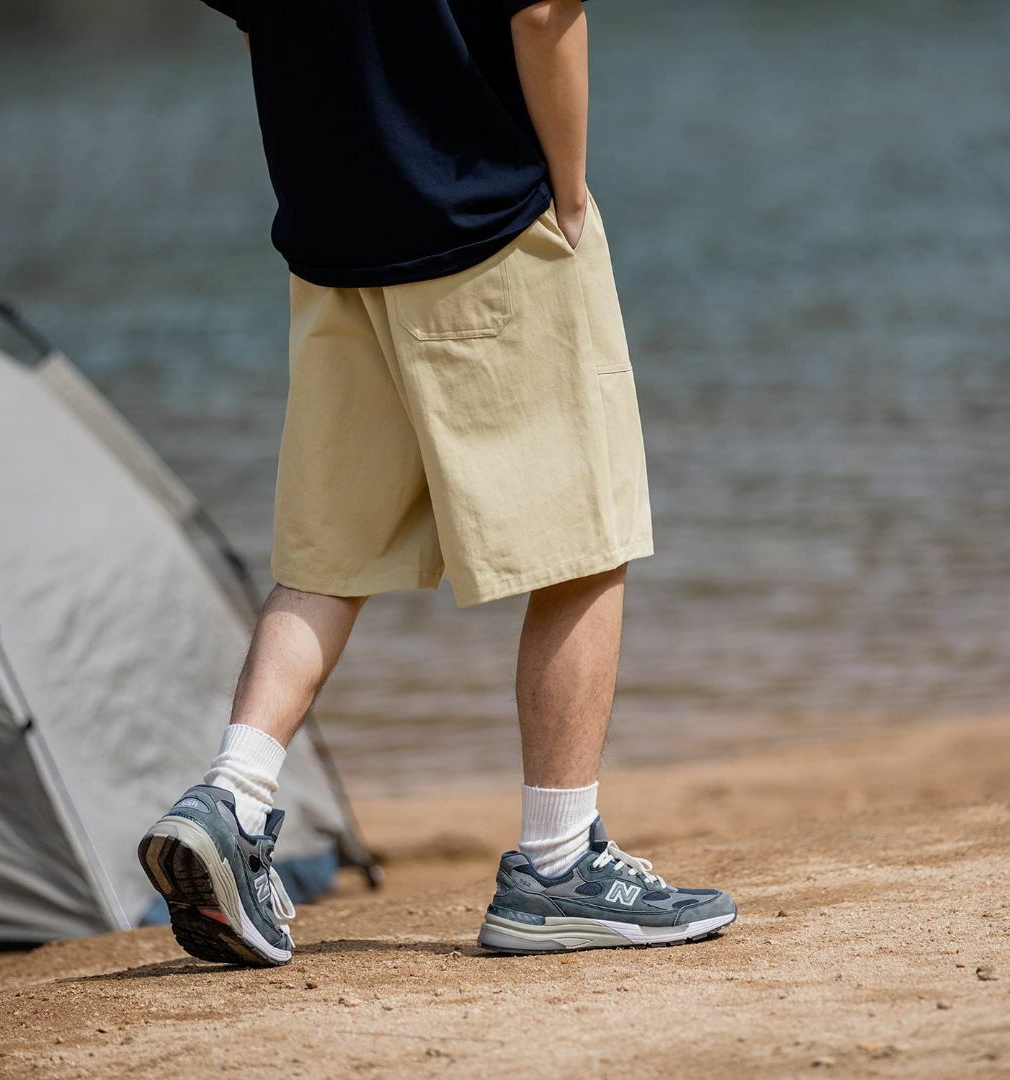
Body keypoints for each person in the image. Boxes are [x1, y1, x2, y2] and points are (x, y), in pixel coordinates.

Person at [138, 0, 736, 965]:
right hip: (489, 216)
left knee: (329, 554)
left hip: (336, 242)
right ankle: (555, 866)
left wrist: (342, 181)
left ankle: (232, 799)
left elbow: (261, 25)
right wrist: (570, 191)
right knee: (584, 540)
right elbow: (544, 12)